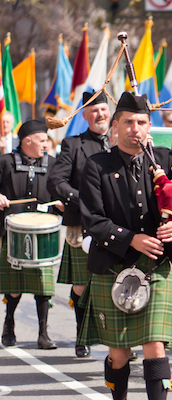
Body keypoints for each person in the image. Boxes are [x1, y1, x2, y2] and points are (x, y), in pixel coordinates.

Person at [78, 92, 172, 400]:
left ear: (149, 126)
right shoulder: (96, 166)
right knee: (120, 353)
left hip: (156, 267)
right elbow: (93, 221)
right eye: (128, 122)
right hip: (112, 265)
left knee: (155, 345)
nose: (135, 128)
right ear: (116, 126)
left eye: (141, 122)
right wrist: (131, 238)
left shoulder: (168, 161)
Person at [47, 91, 112, 358]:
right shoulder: (74, 145)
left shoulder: (122, 142)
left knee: (116, 281)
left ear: (111, 114)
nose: (100, 115)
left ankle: (117, 341)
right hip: (83, 224)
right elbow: (56, 181)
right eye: (94, 111)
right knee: (82, 285)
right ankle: (82, 333)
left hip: (119, 224)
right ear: (85, 115)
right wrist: (79, 198)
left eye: (104, 110)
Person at [0, 120, 62, 349]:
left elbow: (60, 191)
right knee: (13, 287)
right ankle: (9, 324)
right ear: (28, 141)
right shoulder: (5, 163)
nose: (46, 144)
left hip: (42, 233)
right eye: (43, 140)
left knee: (43, 288)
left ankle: (43, 333)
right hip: (11, 232)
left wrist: (62, 204)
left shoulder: (54, 165)